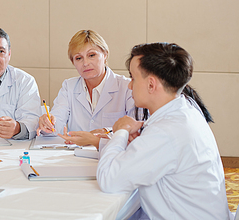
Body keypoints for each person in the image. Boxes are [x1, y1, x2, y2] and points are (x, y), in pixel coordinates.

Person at [96, 43, 230, 219]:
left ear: (151, 84)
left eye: (133, 78)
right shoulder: (185, 111)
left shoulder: (167, 131)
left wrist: (121, 131)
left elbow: (109, 179)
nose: (130, 86)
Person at [37, 30, 137, 149]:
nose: (85, 63)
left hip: (113, 154)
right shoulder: (69, 86)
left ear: (105, 55)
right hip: (75, 155)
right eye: (79, 58)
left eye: (91, 55)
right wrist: (48, 124)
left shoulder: (127, 87)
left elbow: (136, 127)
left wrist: (106, 131)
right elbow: (57, 121)